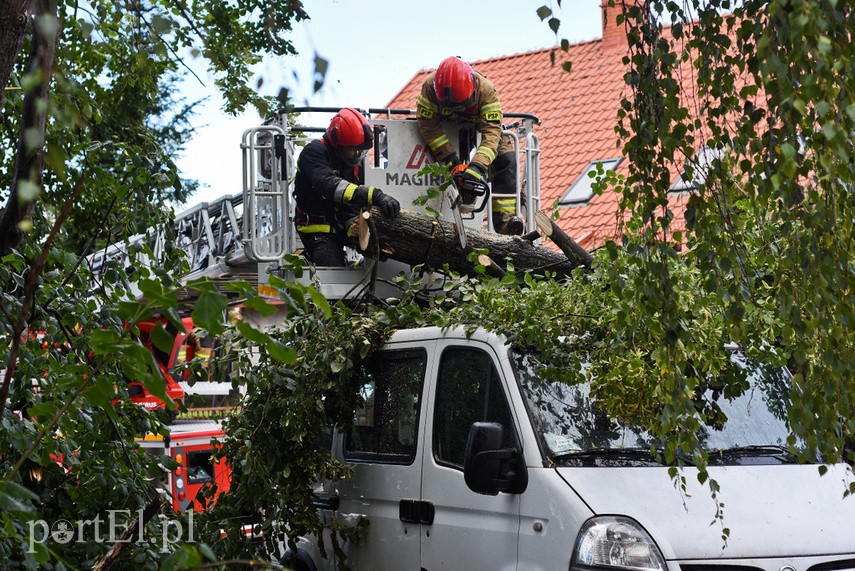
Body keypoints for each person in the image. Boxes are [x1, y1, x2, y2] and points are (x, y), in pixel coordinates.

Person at [416, 56, 524, 235]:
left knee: (506, 159)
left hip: (479, 128)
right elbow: (428, 125)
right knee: (449, 160)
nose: (458, 110)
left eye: (462, 106)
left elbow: (492, 134)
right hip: (447, 130)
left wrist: (476, 168)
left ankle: (505, 223)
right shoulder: (429, 88)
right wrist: (452, 160)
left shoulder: (486, 90)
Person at [293, 107, 401, 266]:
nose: (358, 156)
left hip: (340, 225)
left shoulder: (352, 164)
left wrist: (354, 232)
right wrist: (375, 195)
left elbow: (351, 204)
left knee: (381, 253)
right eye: (353, 151)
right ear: (338, 144)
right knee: (332, 267)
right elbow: (330, 187)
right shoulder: (313, 152)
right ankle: (309, 257)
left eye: (361, 152)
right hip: (317, 228)